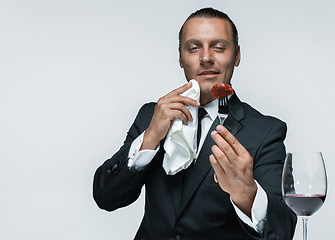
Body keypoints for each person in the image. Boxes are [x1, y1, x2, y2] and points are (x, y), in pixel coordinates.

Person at [93, 7, 297, 240]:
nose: (207, 57)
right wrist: (149, 139)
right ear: (180, 58)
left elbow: (283, 231)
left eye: (219, 47)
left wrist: (247, 194)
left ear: (237, 55)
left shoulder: (266, 132)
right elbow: (105, 197)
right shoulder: (150, 116)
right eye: (193, 48)